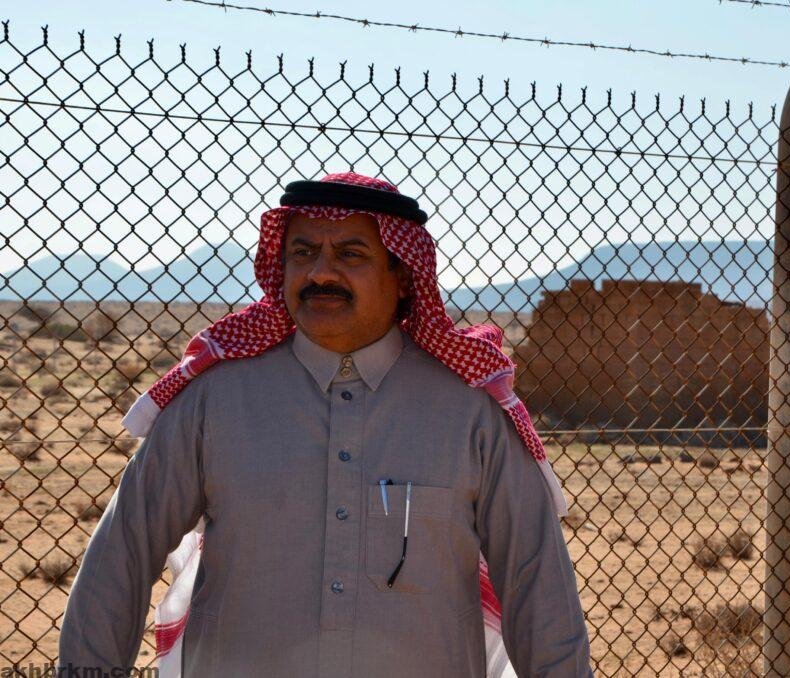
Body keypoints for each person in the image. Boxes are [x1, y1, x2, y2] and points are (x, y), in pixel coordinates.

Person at [59, 172, 593, 677]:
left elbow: (537, 585)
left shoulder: (472, 413)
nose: (320, 273)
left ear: (403, 276)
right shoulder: (211, 402)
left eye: (351, 254)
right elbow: (121, 557)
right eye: (303, 253)